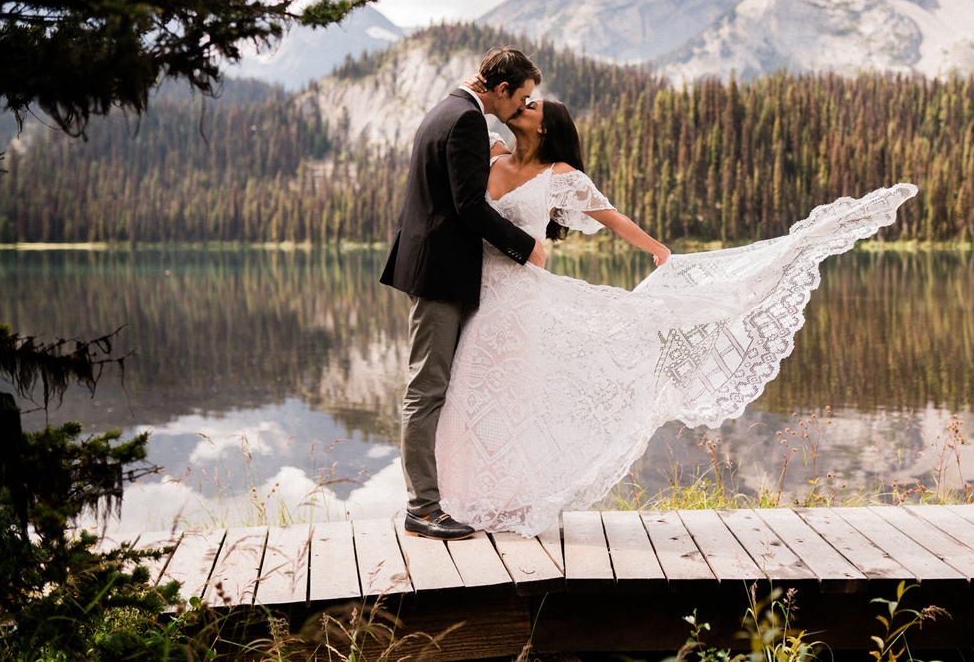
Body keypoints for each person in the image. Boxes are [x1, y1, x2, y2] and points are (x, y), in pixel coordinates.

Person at [434, 91, 917, 537]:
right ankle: (465, 497)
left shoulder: (561, 175)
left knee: (514, 397)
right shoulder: (492, 152)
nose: (524, 104)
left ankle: (515, 499)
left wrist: (658, 251)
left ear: (545, 127)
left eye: (533, 105)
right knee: (470, 390)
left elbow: (612, 216)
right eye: (524, 99)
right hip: (479, 294)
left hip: (523, 301)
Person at [380, 47, 548, 541]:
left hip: (437, 268)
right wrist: (527, 247)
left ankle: (439, 498)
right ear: (500, 90)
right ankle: (422, 509)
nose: (521, 108)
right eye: (521, 98)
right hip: (440, 274)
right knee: (426, 389)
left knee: (432, 387)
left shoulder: (448, 109)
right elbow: (469, 207)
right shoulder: (467, 121)